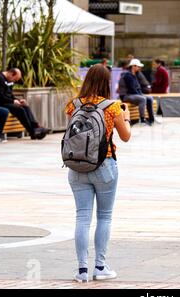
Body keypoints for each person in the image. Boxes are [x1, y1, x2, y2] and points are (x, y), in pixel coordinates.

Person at [64, 64, 131, 283]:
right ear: (107, 82)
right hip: (104, 165)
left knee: (82, 217)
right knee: (104, 216)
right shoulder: (113, 107)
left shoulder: (73, 105)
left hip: (76, 166)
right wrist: (126, 117)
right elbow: (125, 136)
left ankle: (82, 270)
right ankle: (100, 267)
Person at [0, 68, 49, 140]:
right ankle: (32, 131)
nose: (14, 81)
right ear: (11, 74)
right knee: (20, 110)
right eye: (15, 79)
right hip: (0, 103)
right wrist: (13, 101)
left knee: (25, 107)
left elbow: (10, 95)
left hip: (7, 102)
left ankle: (35, 127)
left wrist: (17, 100)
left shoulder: (9, 80)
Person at [119, 58, 157, 126]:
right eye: (138, 66)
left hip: (133, 94)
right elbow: (132, 89)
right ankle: (142, 120)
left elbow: (137, 87)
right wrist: (141, 95)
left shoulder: (134, 74)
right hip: (126, 95)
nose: (139, 68)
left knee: (150, 98)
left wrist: (141, 94)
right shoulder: (128, 75)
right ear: (133, 66)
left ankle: (151, 119)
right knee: (142, 99)